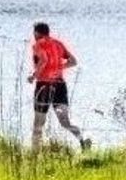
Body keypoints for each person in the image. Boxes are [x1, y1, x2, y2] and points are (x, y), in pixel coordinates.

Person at [28, 22, 89, 151]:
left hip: (44, 86)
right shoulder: (58, 44)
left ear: (37, 33)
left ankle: (34, 153)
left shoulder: (38, 44)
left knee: (38, 122)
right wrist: (58, 67)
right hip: (60, 85)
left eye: (34, 33)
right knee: (65, 122)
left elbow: (43, 60)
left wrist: (34, 75)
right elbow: (73, 61)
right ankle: (82, 140)